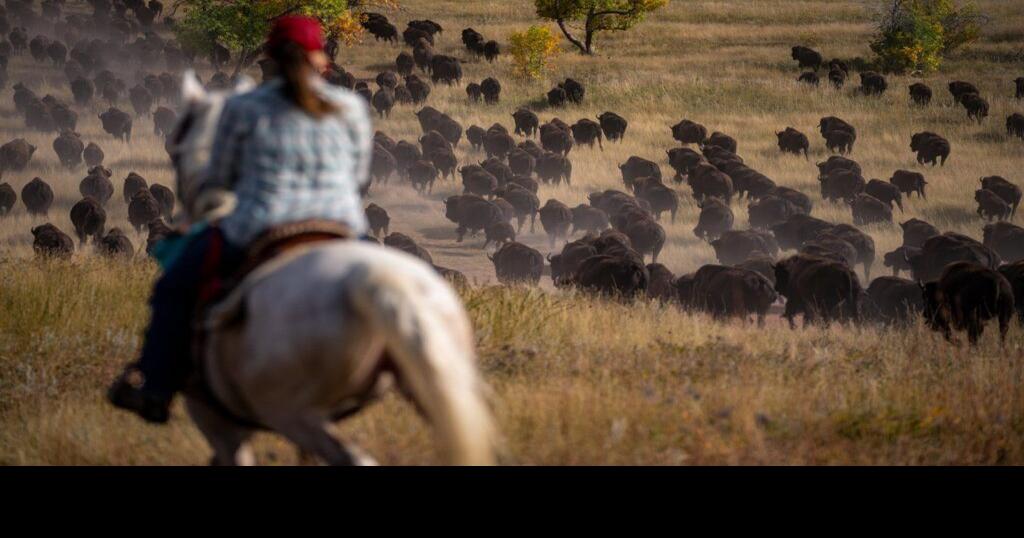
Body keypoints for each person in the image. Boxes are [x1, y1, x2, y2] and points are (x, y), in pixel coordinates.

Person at [107, 16, 374, 423]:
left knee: (173, 287)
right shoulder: (350, 105)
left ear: (269, 60)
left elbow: (220, 178)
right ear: (321, 60)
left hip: (260, 225)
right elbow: (359, 177)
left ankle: (155, 388)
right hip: (343, 227)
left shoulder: (244, 107)